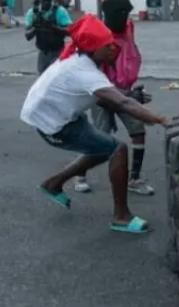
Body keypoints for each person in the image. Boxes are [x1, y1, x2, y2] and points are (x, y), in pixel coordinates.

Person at [20, 14, 167, 234]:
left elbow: (111, 94)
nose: (113, 49)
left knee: (102, 148)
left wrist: (131, 96)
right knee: (118, 149)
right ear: (93, 48)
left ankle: (53, 184)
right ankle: (121, 217)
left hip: (60, 115)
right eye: (107, 46)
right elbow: (120, 101)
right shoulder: (83, 71)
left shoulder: (81, 61)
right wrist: (162, 119)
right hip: (54, 125)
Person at [72, 0, 153, 195]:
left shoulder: (129, 27)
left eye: (127, 12)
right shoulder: (97, 36)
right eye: (119, 12)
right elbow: (90, 71)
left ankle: (134, 179)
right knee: (99, 137)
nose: (124, 17)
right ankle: (79, 174)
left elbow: (129, 56)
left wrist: (130, 91)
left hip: (125, 91)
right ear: (107, 14)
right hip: (101, 92)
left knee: (138, 131)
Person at [25, 0, 72, 73]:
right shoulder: (33, 12)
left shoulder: (59, 11)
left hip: (58, 52)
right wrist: (36, 27)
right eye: (44, 0)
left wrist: (53, 27)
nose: (46, 3)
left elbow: (70, 31)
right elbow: (27, 36)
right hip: (43, 54)